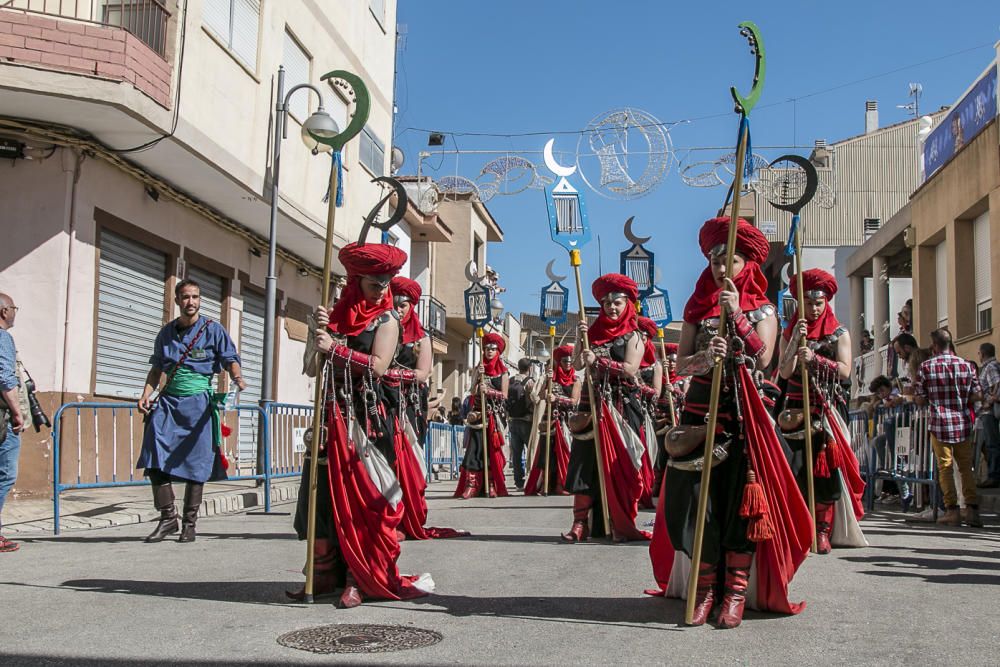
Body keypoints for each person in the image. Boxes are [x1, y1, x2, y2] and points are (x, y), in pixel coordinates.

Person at [647, 217, 811, 629]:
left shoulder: (764, 310)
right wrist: (704, 359)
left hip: (743, 419)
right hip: (698, 415)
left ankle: (735, 593)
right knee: (696, 504)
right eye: (716, 259)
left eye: (731, 259)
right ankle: (703, 590)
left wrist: (737, 318)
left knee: (740, 505)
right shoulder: (696, 309)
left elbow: (765, 358)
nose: (722, 267)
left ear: (747, 264)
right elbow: (681, 363)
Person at [290, 241, 432, 607]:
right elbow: (310, 367)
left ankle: (359, 577)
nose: (383, 289)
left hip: (366, 419)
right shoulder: (333, 319)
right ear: (355, 281)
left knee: (365, 499)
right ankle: (322, 574)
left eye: (386, 282)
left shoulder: (386, 320)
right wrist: (315, 334)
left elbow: (380, 366)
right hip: (329, 417)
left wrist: (334, 349)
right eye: (374, 283)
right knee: (322, 496)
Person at [136, 280, 245, 544]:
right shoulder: (165, 334)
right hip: (168, 404)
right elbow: (156, 370)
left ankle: (189, 524)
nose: (191, 302)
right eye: (185, 297)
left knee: (197, 464)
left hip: (198, 405)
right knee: (153, 457)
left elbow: (230, 358)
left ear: (200, 300)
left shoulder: (213, 330)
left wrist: (238, 378)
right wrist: (145, 394)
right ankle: (167, 519)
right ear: (177, 300)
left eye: (195, 297)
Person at [777, 269, 866, 554]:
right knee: (796, 468)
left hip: (826, 409)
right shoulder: (789, 332)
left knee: (825, 471)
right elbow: (785, 370)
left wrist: (814, 359)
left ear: (826, 301)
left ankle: (823, 529)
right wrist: (794, 343)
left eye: (819, 302)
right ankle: (799, 527)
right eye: (808, 302)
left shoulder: (839, 333)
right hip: (793, 409)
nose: (814, 308)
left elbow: (844, 370)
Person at [562, 273, 650, 543]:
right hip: (592, 405)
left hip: (622, 406)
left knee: (619, 465)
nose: (611, 307)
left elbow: (630, 369)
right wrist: (580, 339)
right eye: (606, 303)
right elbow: (576, 365)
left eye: (617, 303)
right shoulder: (594, 333)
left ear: (627, 305)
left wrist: (598, 362)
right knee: (583, 461)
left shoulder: (634, 336)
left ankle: (620, 519)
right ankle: (580, 523)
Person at [388, 276, 466, 540]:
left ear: (411, 306)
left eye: (403, 305)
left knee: (408, 462)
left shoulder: (421, 338)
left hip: (408, 408)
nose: (398, 309)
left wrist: (390, 373)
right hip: (381, 403)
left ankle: (406, 515)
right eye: (394, 303)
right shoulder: (381, 328)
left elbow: (422, 374)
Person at [913, 328, 983, 527]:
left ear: (934, 345)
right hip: (962, 422)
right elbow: (978, 395)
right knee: (965, 467)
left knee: (945, 467)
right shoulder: (966, 365)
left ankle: (952, 510)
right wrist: (960, 399)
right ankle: (972, 509)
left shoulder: (926, 367)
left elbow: (919, 398)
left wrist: (930, 399)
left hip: (940, 422)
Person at [454, 332, 510, 498]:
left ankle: (491, 483)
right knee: (474, 450)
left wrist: (491, 392)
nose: (489, 351)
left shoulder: (504, 372)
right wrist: (478, 378)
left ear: (498, 351)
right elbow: (471, 391)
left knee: (492, 452)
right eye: (486, 348)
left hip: (494, 418)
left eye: (493, 349)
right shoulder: (480, 368)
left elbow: (505, 395)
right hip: (478, 415)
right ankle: (472, 484)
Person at [524, 344, 577, 496]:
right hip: (549, 421)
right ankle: (546, 484)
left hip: (566, 422)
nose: (567, 364)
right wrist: (546, 384)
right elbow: (539, 396)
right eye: (565, 361)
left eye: (570, 361)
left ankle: (563, 483)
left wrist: (557, 398)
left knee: (564, 453)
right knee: (546, 455)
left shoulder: (576, 380)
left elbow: (574, 401)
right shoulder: (551, 378)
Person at [0, 293, 27, 553]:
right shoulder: (3, 338)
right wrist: (17, 413)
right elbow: (6, 378)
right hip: (2, 417)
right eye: (14, 308)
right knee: (5, 473)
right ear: (4, 311)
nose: (15, 313)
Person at [635, 316, 663, 509]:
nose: (639, 339)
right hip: (626, 409)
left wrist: (639, 387)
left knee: (645, 451)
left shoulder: (656, 366)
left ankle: (645, 489)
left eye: (642, 336)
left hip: (645, 414)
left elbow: (657, 393)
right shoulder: (627, 357)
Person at [506, 358, 536, 490]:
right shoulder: (529, 382)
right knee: (531, 451)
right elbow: (533, 399)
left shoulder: (511, 380)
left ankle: (518, 481)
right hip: (527, 420)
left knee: (517, 453)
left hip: (513, 420)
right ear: (530, 368)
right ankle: (531, 479)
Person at [976, 343, 1000, 489]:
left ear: (983, 354)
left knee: (992, 444)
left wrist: (989, 401)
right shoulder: (991, 366)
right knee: (987, 445)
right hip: (985, 413)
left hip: (989, 412)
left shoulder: (990, 367)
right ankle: (992, 473)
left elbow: (996, 384)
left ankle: (994, 475)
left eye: (978, 353)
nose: (978, 356)